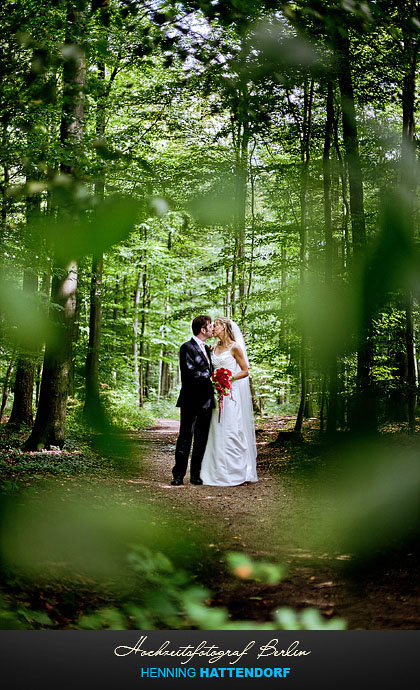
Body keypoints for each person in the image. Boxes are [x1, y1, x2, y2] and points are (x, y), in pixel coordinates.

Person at [200, 317, 258, 486]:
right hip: (215, 394)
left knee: (231, 429)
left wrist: (228, 378)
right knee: (216, 430)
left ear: (224, 328)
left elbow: (245, 371)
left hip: (230, 394)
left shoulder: (235, 347)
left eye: (215, 326)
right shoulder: (214, 347)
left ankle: (235, 471)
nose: (213, 329)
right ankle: (215, 471)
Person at [171, 315, 215, 485]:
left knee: (201, 438)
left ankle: (196, 474)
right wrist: (212, 376)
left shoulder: (208, 349)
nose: (212, 328)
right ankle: (178, 475)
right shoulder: (186, 347)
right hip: (190, 399)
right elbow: (189, 373)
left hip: (207, 400)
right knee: (185, 437)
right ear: (203, 330)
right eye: (210, 326)